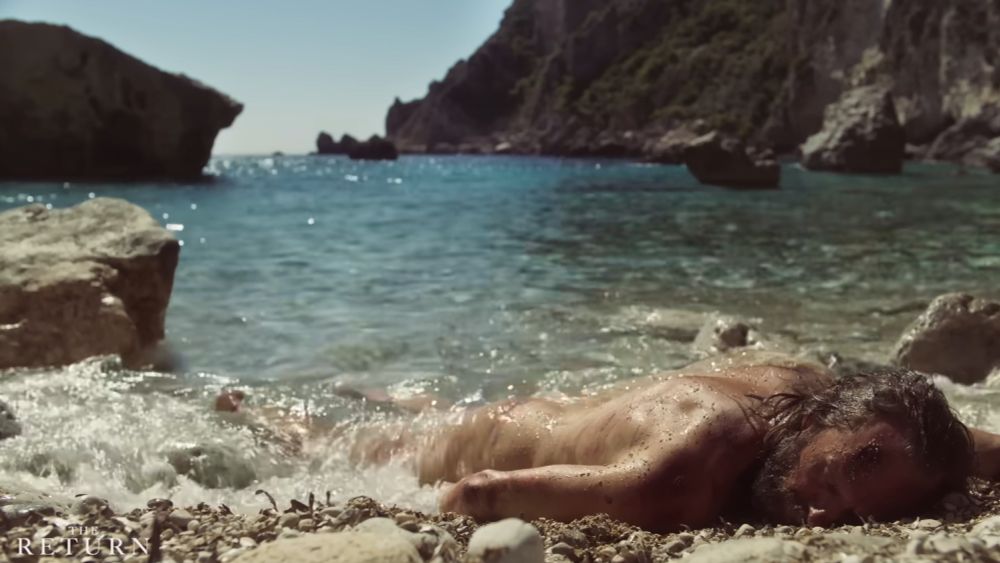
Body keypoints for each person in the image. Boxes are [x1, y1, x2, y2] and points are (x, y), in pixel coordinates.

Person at [217, 352, 1000, 532]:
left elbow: (965, 440)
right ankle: (251, 408)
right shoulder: (678, 473)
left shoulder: (872, 414)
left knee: (411, 402)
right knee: (341, 438)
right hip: (479, 442)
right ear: (828, 420)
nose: (822, 518)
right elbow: (477, 493)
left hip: (565, 407)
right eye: (829, 481)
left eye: (855, 517)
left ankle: (378, 386)